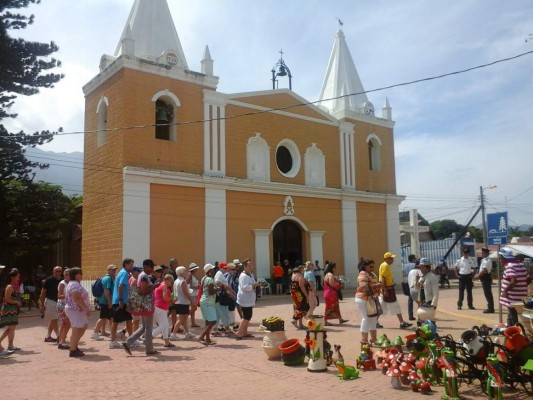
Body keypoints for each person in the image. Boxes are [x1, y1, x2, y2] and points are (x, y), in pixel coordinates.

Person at [122, 259, 160, 356]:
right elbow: (143, 291)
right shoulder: (143, 277)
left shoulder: (142, 275)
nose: (152, 269)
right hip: (146, 305)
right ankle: (149, 349)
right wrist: (154, 286)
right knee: (148, 328)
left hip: (144, 305)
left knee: (144, 327)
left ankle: (128, 342)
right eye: (151, 266)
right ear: (146, 266)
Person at [378, 252, 412, 329]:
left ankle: (375, 322)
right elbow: (383, 277)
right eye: (390, 258)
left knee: (382, 307)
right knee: (395, 306)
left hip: (385, 289)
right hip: (387, 289)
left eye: (392, 258)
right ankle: (402, 322)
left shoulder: (384, 265)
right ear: (386, 259)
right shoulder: (385, 265)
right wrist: (385, 288)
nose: (392, 260)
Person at [64, 267, 91, 357]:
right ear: (76, 275)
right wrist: (85, 308)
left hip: (76, 310)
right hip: (75, 310)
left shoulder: (74, 284)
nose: (82, 275)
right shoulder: (75, 284)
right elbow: (77, 298)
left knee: (83, 326)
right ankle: (73, 349)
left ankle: (74, 345)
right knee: (76, 329)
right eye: (81, 273)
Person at [109, 259, 134, 350]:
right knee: (116, 322)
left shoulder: (122, 273)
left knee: (129, 320)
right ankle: (112, 341)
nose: (132, 266)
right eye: (131, 265)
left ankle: (131, 340)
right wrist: (120, 300)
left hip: (123, 301)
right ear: (126, 265)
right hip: (120, 301)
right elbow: (120, 286)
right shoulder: (124, 273)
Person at [499, 249, 529, 326]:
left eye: (501, 258)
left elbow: (513, 281)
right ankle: (509, 327)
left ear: (505, 258)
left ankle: (514, 331)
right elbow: (528, 279)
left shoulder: (509, 266)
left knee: (513, 315)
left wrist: (505, 291)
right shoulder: (521, 265)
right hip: (521, 295)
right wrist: (522, 287)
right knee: (512, 313)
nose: (500, 260)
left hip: (512, 297)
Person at [355, 259, 381, 344]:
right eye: (370, 267)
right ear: (365, 266)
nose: (372, 268)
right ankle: (364, 339)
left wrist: (377, 287)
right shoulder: (362, 274)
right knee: (365, 318)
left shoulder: (372, 274)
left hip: (371, 298)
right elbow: (363, 286)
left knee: (373, 318)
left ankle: (374, 339)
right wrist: (375, 286)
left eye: (373, 267)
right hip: (363, 298)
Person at [234, 258, 260, 340]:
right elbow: (244, 287)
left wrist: (255, 284)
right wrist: (253, 285)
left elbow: (252, 284)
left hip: (249, 298)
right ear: (245, 266)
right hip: (245, 298)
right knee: (246, 316)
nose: (251, 267)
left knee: (248, 315)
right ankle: (239, 332)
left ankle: (244, 332)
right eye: (249, 265)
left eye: (251, 265)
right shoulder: (243, 276)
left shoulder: (250, 274)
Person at [0, 268, 23, 356]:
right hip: (8, 309)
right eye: (17, 277)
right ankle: (9, 345)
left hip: (12, 309)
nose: (18, 278)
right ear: (12, 277)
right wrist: (16, 302)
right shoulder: (9, 286)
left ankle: (10, 345)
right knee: (11, 328)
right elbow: (7, 299)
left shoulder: (12, 286)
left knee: (11, 328)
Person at [92, 264, 118, 341]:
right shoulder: (107, 279)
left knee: (110, 318)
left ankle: (112, 333)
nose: (114, 271)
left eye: (115, 269)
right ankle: (95, 332)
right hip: (105, 302)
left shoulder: (111, 278)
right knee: (103, 318)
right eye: (112, 269)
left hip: (107, 301)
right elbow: (106, 291)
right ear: (108, 270)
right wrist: (110, 302)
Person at [170, 266, 196, 341]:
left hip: (179, 301)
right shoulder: (182, 281)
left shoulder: (176, 281)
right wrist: (191, 301)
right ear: (181, 273)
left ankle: (187, 333)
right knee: (181, 318)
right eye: (185, 271)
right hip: (183, 302)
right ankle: (173, 334)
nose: (187, 273)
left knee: (184, 317)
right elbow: (186, 292)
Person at [39, 266, 63, 342]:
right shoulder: (48, 280)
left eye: (60, 271)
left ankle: (48, 336)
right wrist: (42, 305)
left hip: (59, 302)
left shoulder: (62, 280)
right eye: (57, 271)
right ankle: (59, 336)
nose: (58, 273)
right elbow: (42, 293)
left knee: (53, 320)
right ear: (53, 272)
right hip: (50, 302)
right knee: (54, 320)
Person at [198, 263, 220, 345]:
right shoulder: (210, 279)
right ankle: (201, 337)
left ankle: (207, 339)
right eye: (212, 269)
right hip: (208, 302)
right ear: (209, 271)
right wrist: (218, 289)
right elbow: (211, 292)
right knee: (213, 321)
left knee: (207, 321)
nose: (214, 270)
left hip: (204, 301)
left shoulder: (203, 278)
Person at [213, 262, 236, 337]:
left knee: (218, 314)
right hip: (221, 296)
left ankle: (215, 330)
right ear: (220, 268)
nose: (225, 269)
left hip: (220, 296)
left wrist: (229, 290)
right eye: (224, 268)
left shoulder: (220, 273)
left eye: (225, 267)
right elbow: (217, 282)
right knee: (224, 312)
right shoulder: (220, 273)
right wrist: (226, 287)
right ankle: (227, 329)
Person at [152, 273, 175, 348]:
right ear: (168, 280)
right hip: (161, 308)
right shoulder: (164, 286)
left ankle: (167, 342)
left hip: (158, 307)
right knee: (164, 325)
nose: (171, 284)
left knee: (165, 324)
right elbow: (165, 298)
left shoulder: (160, 284)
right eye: (171, 282)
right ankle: (150, 337)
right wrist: (172, 300)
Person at [475, 248, 494, 313]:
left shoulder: (487, 260)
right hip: (484, 278)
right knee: (487, 293)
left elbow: (484, 270)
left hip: (486, 278)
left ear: (486, 253)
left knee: (488, 293)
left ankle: (490, 308)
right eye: (482, 253)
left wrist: (478, 276)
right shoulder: (483, 260)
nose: (482, 254)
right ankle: (490, 307)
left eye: (483, 253)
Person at [290, 264, 310, 329]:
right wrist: (306, 296)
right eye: (303, 268)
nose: (304, 269)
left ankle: (300, 324)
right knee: (303, 307)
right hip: (299, 294)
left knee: (297, 307)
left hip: (294, 293)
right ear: (300, 268)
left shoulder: (293, 274)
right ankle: (294, 320)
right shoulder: (300, 276)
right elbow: (302, 287)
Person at [56, 268, 71, 350]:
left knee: (64, 324)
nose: (67, 276)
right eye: (65, 274)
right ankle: (62, 341)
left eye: (68, 274)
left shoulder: (72, 283)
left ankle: (60, 339)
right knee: (68, 323)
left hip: (68, 305)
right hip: (61, 305)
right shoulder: (62, 284)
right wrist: (70, 296)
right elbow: (59, 296)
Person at [402, 254, 418, 321]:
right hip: (414, 284)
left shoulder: (405, 266)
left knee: (410, 300)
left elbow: (404, 274)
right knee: (419, 300)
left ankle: (410, 315)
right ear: (413, 259)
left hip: (408, 284)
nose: (416, 259)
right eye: (415, 258)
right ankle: (421, 315)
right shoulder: (414, 265)